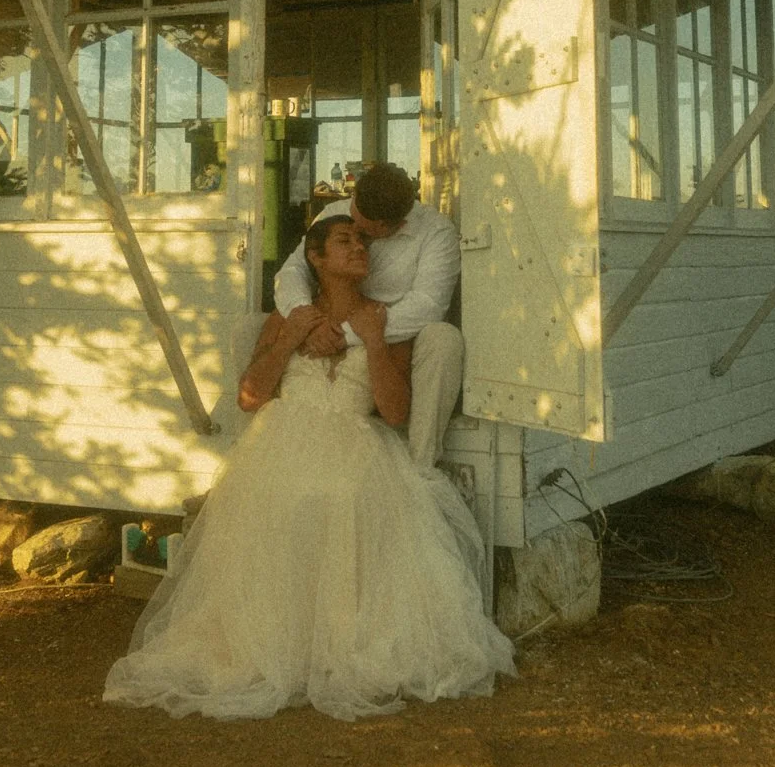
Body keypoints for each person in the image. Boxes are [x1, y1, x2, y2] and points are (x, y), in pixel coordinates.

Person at [104, 216, 513, 721]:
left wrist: (375, 341)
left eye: (363, 240)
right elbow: (250, 396)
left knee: (347, 497)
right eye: (345, 241)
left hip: (355, 440)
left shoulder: (382, 318)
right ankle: (274, 644)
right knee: (282, 499)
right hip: (284, 439)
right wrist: (291, 336)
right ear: (315, 258)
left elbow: (395, 412)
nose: (359, 248)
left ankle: (337, 645)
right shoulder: (289, 316)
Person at [273, 162, 463, 467]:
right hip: (324, 329)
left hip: (394, 337)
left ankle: (421, 467)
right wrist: (307, 321)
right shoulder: (338, 211)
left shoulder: (436, 232)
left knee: (444, 340)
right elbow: (295, 270)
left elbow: (427, 305)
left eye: (364, 232)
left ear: (395, 226)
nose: (357, 238)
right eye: (353, 217)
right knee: (249, 330)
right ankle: (248, 459)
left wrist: (347, 334)